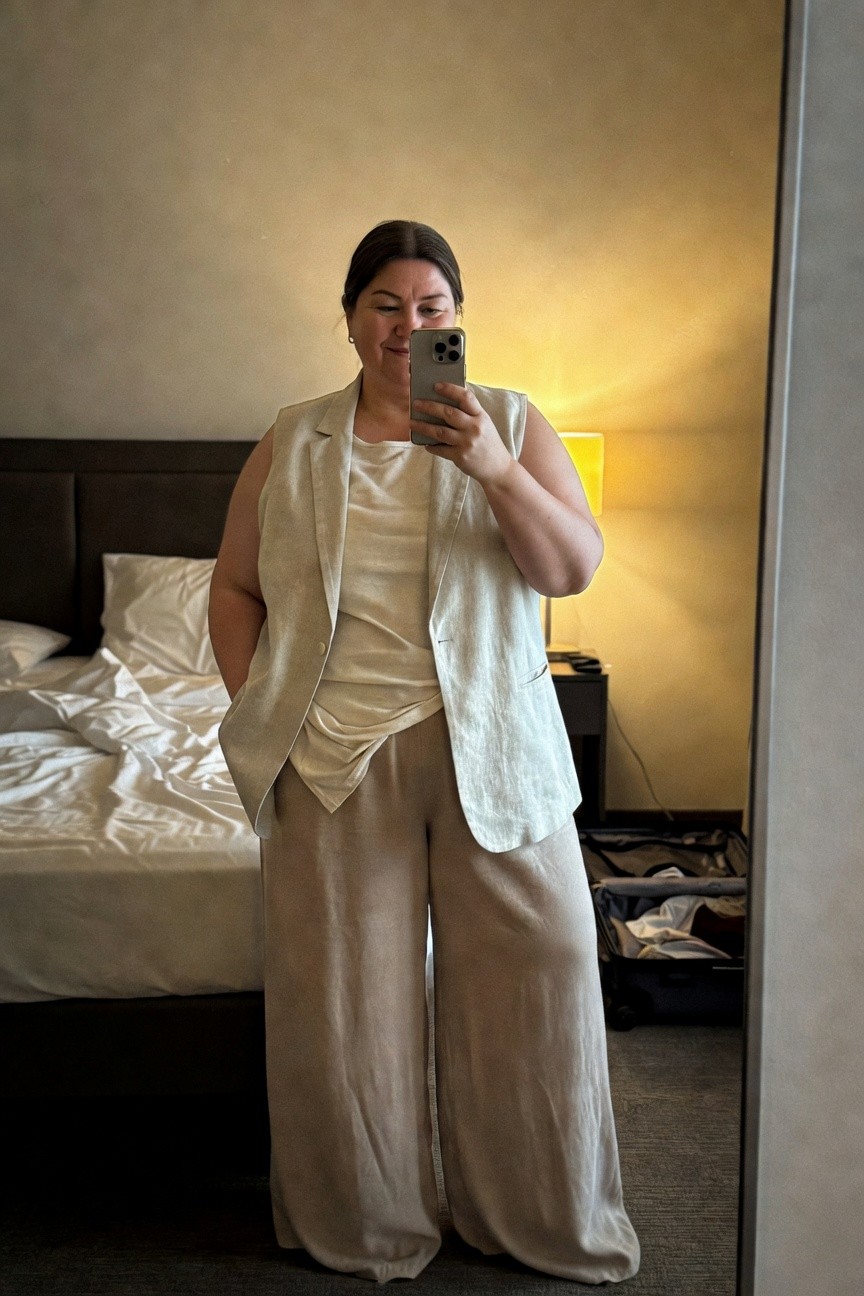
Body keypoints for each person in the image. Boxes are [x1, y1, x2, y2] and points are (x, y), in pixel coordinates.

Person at [208, 219, 640, 1284]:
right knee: (348, 999)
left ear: (459, 319)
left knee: (541, 975)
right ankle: (367, 1225)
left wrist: (492, 465)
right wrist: (266, 704)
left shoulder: (512, 421)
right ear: (351, 319)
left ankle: (540, 1218)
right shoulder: (295, 438)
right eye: (386, 306)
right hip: (338, 757)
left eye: (432, 308)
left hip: (496, 745)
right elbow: (234, 588)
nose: (410, 327)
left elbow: (570, 568)